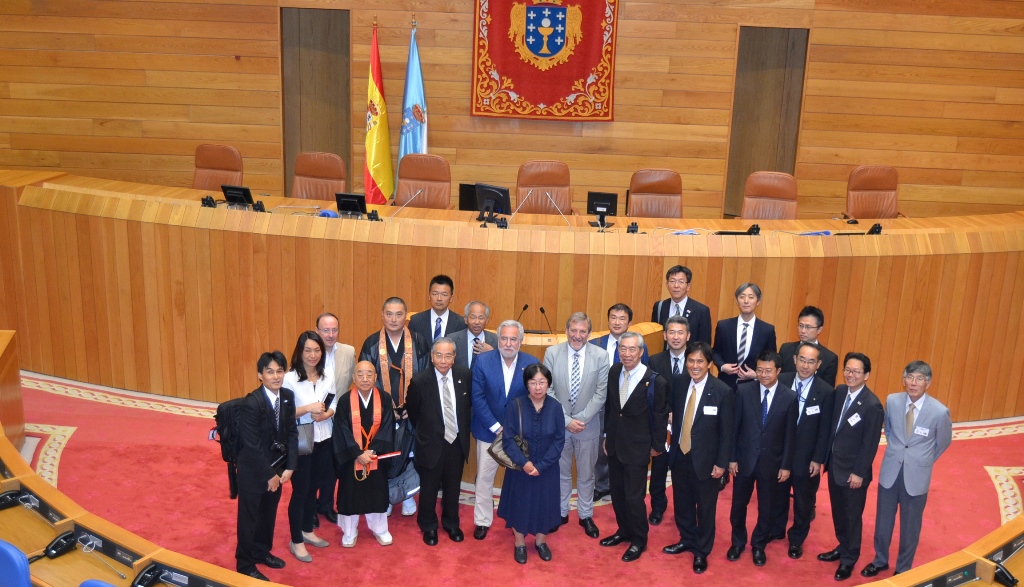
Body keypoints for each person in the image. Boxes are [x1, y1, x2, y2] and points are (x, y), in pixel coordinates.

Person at [862, 361, 952, 577]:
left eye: (919, 378)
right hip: (891, 470)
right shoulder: (892, 401)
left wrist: (922, 460)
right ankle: (880, 559)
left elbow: (943, 442)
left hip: (917, 475)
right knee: (883, 520)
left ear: (928, 383)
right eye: (910, 377)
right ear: (903, 380)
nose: (913, 383)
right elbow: (890, 431)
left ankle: (903, 568)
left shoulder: (939, 411)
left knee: (910, 526)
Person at [662, 341, 733, 574]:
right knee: (682, 503)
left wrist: (722, 463)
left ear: (710, 364)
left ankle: (702, 551)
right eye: (690, 360)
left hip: (707, 461)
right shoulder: (680, 383)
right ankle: (686, 538)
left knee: (705, 508)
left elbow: (727, 432)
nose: (694, 365)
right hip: (681, 455)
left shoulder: (722, 391)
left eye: (700, 361)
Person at [599, 332, 669, 563]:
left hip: (639, 448)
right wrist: (607, 436)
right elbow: (611, 407)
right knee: (617, 493)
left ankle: (639, 539)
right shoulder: (614, 371)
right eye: (623, 349)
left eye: (632, 349)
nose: (626, 354)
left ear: (641, 352)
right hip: (615, 444)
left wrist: (657, 446)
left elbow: (659, 417)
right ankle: (624, 530)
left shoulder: (655, 381)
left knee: (634, 496)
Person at [358, 297, 430, 516]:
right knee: (385, 453)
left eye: (399, 314)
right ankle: (387, 496)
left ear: (405, 315)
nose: (393, 319)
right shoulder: (371, 342)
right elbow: (366, 377)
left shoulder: (418, 341)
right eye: (389, 314)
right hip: (382, 411)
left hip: (411, 411)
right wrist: (385, 405)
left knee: (408, 454)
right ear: (382, 315)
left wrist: (413, 404)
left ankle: (407, 495)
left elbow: (426, 375)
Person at [727, 350, 797, 567]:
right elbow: (734, 428)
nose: (764, 374)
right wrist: (732, 458)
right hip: (744, 460)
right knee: (739, 505)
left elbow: (790, 436)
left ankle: (758, 544)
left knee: (767, 507)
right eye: (759, 370)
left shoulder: (789, 397)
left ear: (778, 371)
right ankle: (737, 542)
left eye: (768, 370)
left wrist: (786, 465)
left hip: (772, 463)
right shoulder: (744, 390)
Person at [470, 320, 539, 540]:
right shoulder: (482, 361)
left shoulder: (531, 363)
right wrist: (496, 426)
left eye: (513, 339)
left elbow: (534, 399)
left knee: (518, 481)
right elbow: (477, 398)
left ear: (521, 340)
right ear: (497, 339)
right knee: (484, 478)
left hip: (519, 435)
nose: (508, 343)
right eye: (504, 338)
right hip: (488, 431)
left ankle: (516, 520)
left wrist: (514, 429)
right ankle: (482, 521)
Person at [818, 352, 884, 581]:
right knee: (839, 512)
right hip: (835, 467)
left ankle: (849, 559)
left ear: (866, 375)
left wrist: (859, 472)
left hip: (854, 473)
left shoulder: (872, 405)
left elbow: (870, 444)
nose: (850, 374)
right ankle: (842, 546)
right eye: (848, 369)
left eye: (856, 371)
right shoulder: (840, 392)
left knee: (852, 516)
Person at [542, 312, 608, 539]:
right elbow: (547, 390)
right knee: (560, 472)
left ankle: (585, 514)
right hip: (559, 426)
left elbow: (601, 393)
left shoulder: (600, 356)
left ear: (589, 333)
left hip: (588, 426)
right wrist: (567, 421)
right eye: (573, 330)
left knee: (587, 474)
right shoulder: (552, 353)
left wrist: (581, 419)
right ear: (566, 330)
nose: (577, 336)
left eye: (582, 331)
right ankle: (560, 513)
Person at [235, 351, 297, 580]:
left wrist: (290, 466)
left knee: (268, 513)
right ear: (260, 375)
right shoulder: (252, 402)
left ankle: (262, 552)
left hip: (278, 468)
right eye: (270, 371)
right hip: (253, 471)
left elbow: (291, 432)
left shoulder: (288, 397)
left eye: (280, 371)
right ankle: (244, 563)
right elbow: (251, 445)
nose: (276, 376)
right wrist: (269, 474)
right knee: (249, 517)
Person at [405, 337, 472, 546]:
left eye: (448, 355)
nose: (443, 360)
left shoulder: (464, 376)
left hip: (456, 442)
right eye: (439, 355)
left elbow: (467, 407)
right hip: (431, 443)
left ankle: (451, 523)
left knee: (453, 486)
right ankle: (428, 526)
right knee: (429, 488)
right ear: (432, 357)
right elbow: (414, 414)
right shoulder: (420, 381)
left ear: (454, 357)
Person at [497, 363, 566, 564]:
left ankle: (541, 541)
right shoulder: (516, 405)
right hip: (520, 468)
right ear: (527, 384)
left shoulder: (555, 407)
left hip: (547, 469)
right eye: (533, 382)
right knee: (520, 504)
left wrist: (542, 466)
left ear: (548, 384)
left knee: (545, 504)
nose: (538, 387)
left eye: (542, 382)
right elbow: (508, 439)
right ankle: (519, 543)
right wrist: (525, 463)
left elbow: (559, 440)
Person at [773, 341, 836, 559]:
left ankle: (797, 539)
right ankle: (776, 530)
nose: (805, 366)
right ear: (794, 359)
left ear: (818, 364)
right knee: (778, 495)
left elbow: (825, 430)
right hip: (780, 452)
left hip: (806, 457)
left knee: (803, 501)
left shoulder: (826, 392)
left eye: (811, 362)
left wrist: (818, 459)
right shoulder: (781, 380)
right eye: (802, 360)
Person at [282, 331, 335, 563]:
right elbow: (284, 415)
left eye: (317, 350)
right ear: (299, 352)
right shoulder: (289, 379)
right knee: (301, 491)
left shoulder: (327, 375)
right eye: (308, 350)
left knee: (314, 489)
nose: (313, 355)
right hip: (302, 439)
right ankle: (296, 540)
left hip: (324, 438)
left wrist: (326, 414)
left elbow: (334, 402)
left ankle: (306, 530)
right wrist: (308, 409)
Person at [332, 361, 397, 548]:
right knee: (350, 493)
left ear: (376, 377)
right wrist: (357, 453)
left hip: (375, 456)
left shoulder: (384, 398)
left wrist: (372, 451)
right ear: (353, 378)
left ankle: (380, 528)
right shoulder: (345, 401)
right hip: (351, 458)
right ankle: (350, 531)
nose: (365, 378)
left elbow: (387, 427)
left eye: (369, 374)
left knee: (376, 492)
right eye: (360, 374)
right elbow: (341, 430)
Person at [591, 302, 647, 501]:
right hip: (600, 401)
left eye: (622, 318)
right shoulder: (597, 343)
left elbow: (643, 376)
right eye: (613, 317)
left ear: (629, 322)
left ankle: (619, 485)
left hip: (625, 404)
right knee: (601, 445)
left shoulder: (639, 346)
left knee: (621, 444)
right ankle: (602, 484)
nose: (617, 322)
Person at [646, 315, 691, 526]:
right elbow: (653, 393)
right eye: (671, 332)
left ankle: (685, 511)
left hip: (687, 425)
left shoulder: (695, 359)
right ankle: (657, 507)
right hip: (662, 424)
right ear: (664, 335)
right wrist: (667, 413)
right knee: (658, 470)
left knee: (684, 472)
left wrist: (679, 414)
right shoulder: (655, 360)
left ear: (688, 336)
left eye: (680, 332)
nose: (675, 337)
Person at [314, 313, 355, 524]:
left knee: (332, 466)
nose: (330, 335)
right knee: (312, 466)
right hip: (312, 419)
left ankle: (327, 505)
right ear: (317, 331)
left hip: (337, 419)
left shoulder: (349, 352)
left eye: (334, 330)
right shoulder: (310, 352)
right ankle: (310, 507)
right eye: (325, 330)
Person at [713, 282, 777, 390]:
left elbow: (772, 359)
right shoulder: (724, 326)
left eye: (751, 297)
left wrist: (757, 374)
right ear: (737, 301)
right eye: (742, 297)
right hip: (725, 385)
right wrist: (722, 367)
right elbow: (715, 352)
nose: (746, 301)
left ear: (758, 301)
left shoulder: (767, 330)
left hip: (753, 387)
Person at [651, 265, 712, 347]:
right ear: (667, 285)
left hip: (689, 358)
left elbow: (704, 344)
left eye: (681, 282)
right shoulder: (659, 306)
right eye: (672, 281)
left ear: (688, 286)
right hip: (664, 358)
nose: (676, 286)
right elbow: (654, 337)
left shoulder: (701, 310)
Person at [779, 306, 839, 387]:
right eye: (801, 325)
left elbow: (827, 391)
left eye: (808, 327)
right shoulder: (786, 350)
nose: (803, 331)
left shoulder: (829, 358)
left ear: (819, 330)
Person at [408, 274, 467, 343]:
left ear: (451, 298)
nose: (439, 298)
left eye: (444, 295)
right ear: (429, 296)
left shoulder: (461, 323)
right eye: (435, 294)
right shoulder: (416, 321)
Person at [450, 301, 497, 371]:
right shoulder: (452, 339)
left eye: (481, 318)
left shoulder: (497, 340)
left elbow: (504, 366)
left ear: (487, 320)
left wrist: (493, 353)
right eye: (473, 317)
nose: (477, 322)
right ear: (465, 319)